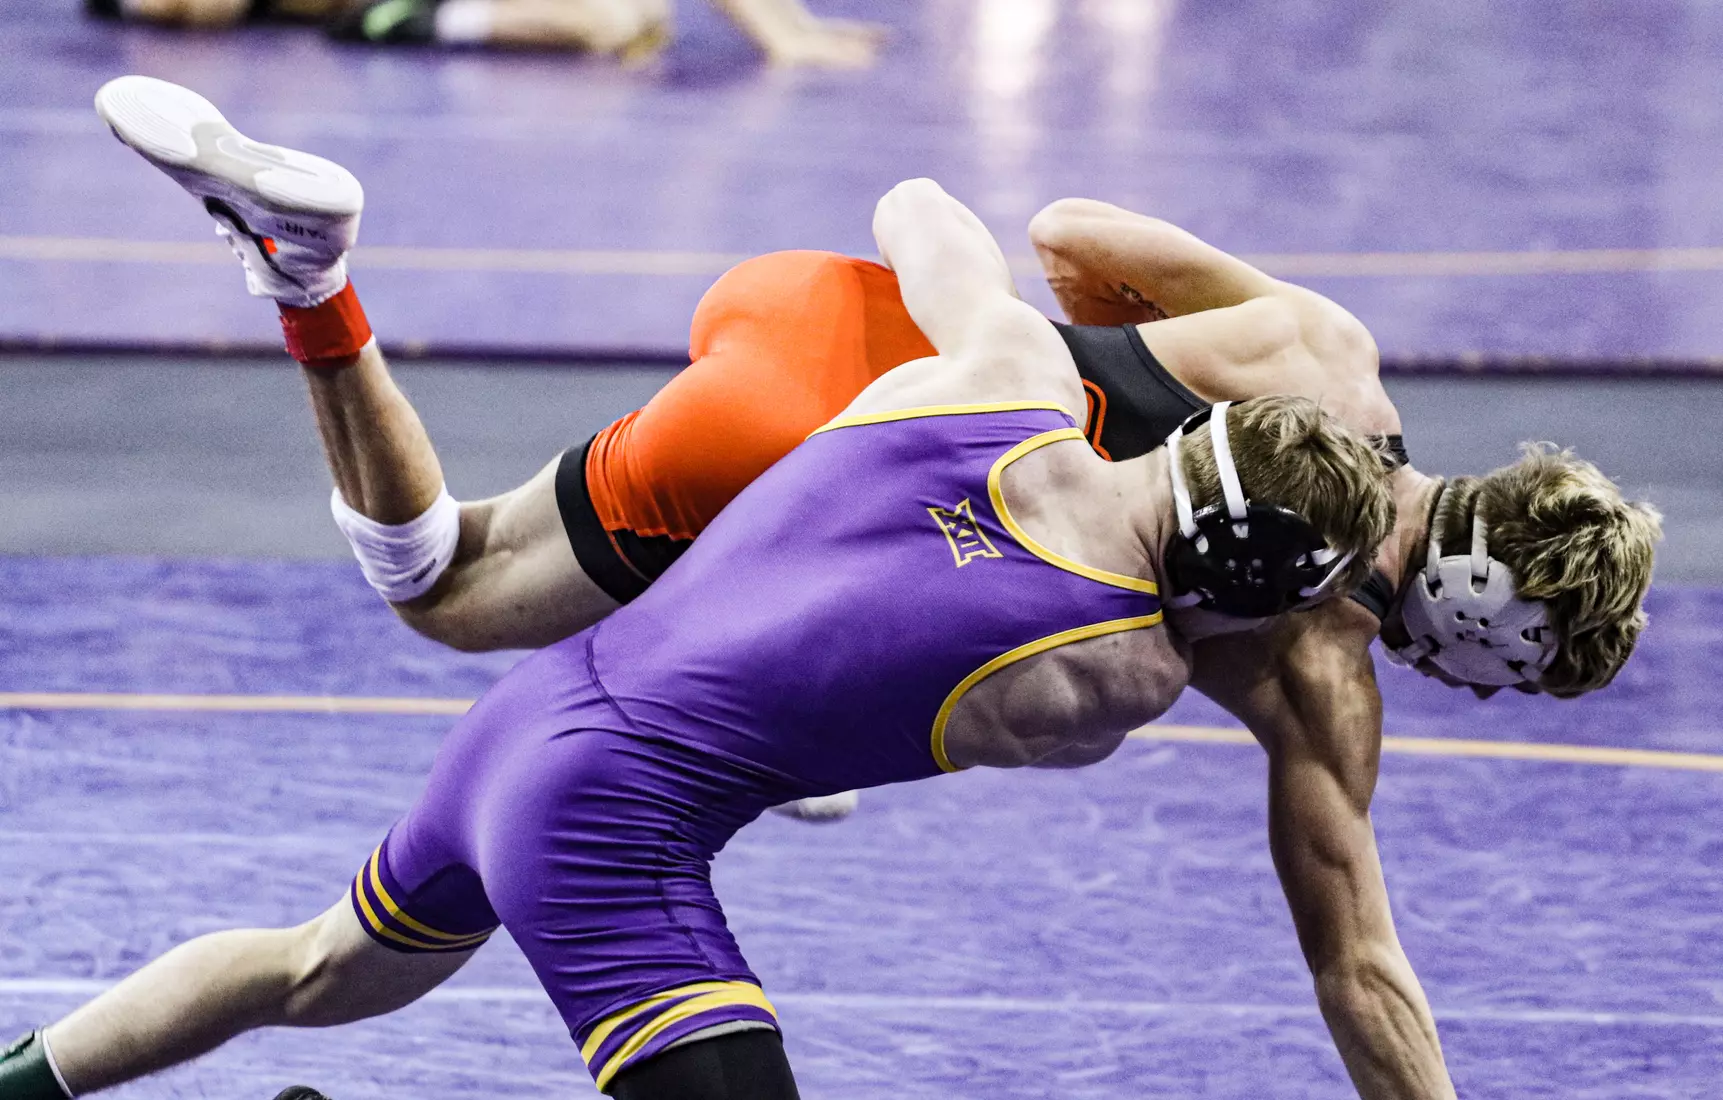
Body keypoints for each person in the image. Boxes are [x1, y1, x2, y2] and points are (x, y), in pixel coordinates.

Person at [2, 100, 1418, 1097]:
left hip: (537, 707)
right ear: (1243, 592)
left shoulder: (1005, 376)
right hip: (604, 829)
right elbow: (1052, 669)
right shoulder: (1122, 682)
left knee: (314, 963)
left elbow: (926, 209)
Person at [84, 0, 885, 69]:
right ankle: (787, 37)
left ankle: (792, 29)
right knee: (617, 20)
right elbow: (608, 25)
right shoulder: (368, 20)